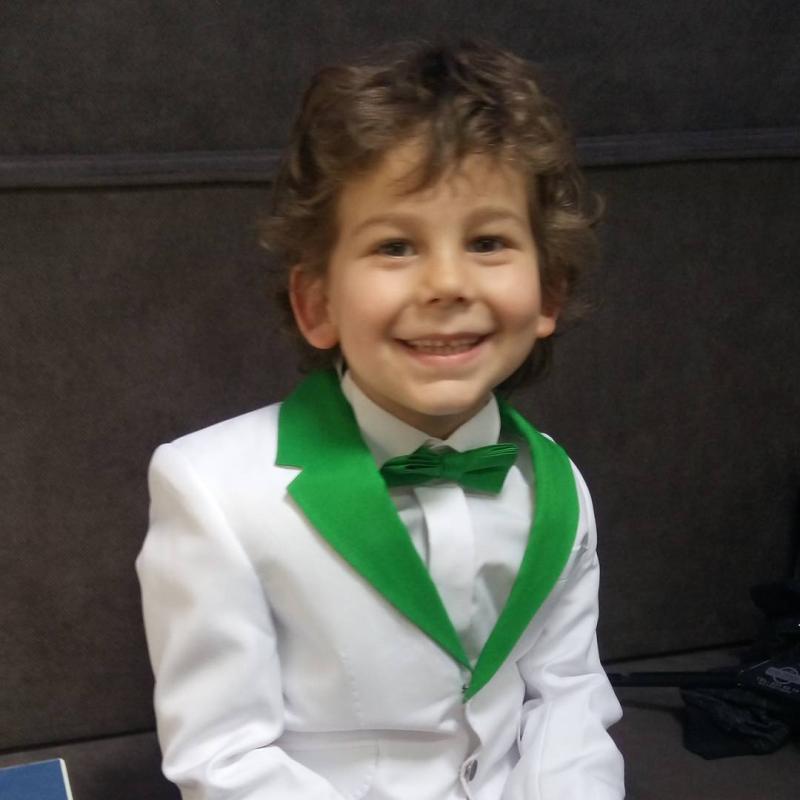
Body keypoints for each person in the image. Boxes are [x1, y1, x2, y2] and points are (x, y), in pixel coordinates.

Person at [136, 39, 626, 800]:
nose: (447, 283)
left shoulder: (556, 481)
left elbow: (568, 697)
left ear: (549, 293)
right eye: (395, 246)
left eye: (488, 242)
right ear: (317, 304)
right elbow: (223, 757)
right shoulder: (211, 490)